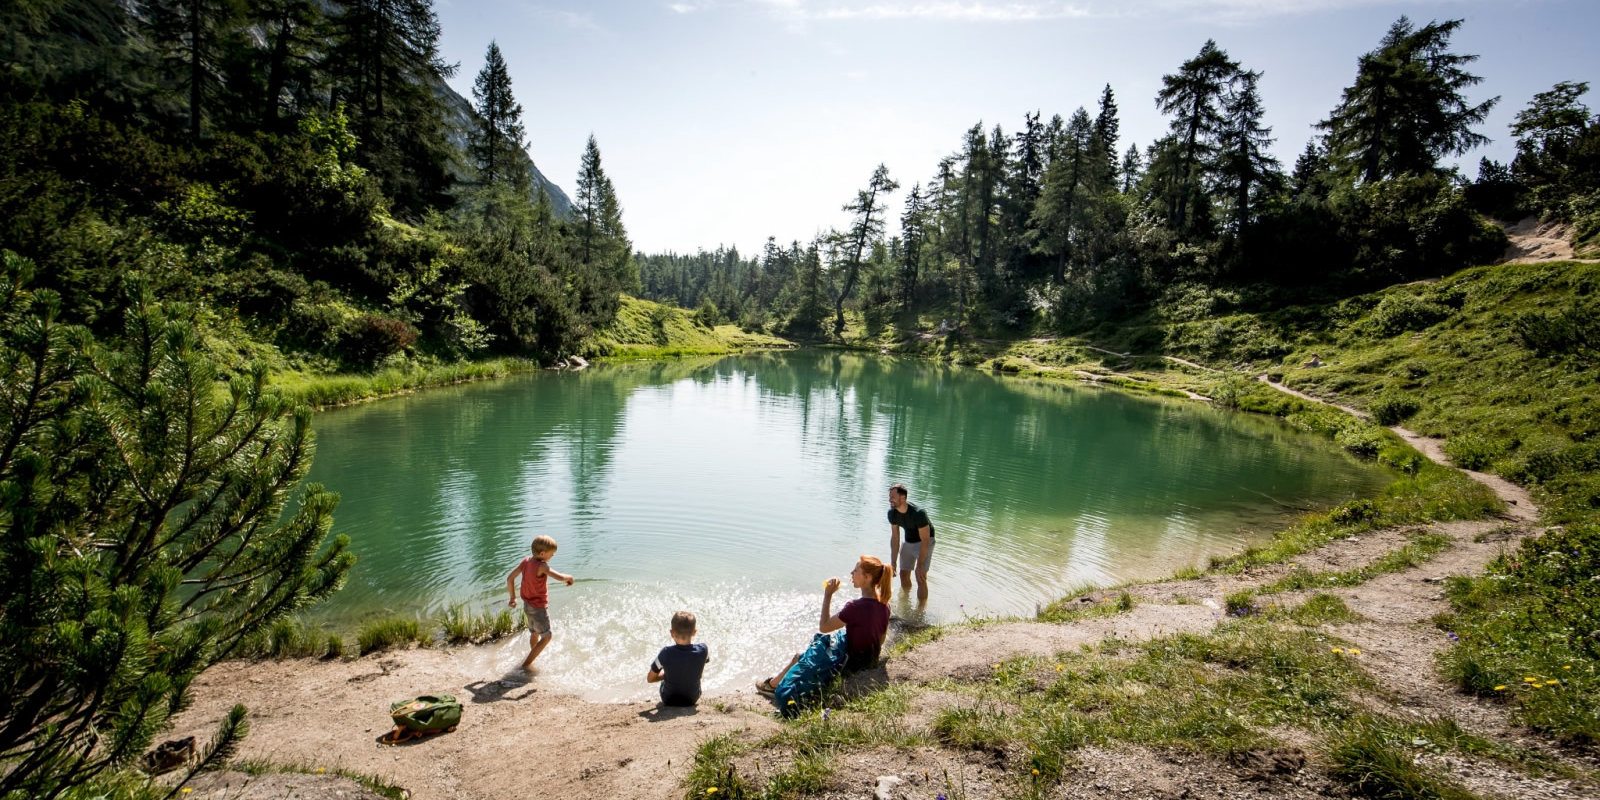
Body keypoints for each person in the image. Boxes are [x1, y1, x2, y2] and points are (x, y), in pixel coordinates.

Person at [755, 555, 892, 695]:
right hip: (869, 661)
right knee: (817, 649)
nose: (851, 573)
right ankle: (775, 684)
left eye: (856, 570)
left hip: (850, 665)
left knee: (799, 656)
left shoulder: (855, 607)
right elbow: (881, 639)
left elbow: (824, 627)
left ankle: (772, 686)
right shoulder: (885, 606)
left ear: (867, 577)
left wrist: (828, 595)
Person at [506, 535, 574, 671]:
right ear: (542, 554)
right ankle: (525, 666)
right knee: (547, 636)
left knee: (534, 633)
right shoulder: (542, 566)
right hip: (538, 608)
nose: (553, 556)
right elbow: (560, 577)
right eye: (552, 554)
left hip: (527, 606)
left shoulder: (526, 561)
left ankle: (533, 656)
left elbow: (509, 578)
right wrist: (570, 577)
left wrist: (513, 598)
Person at [647, 611, 710, 706]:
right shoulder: (703, 650)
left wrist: (666, 675)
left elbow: (650, 679)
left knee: (666, 679)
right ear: (694, 632)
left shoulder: (665, 652)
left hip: (669, 699)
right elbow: (702, 664)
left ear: (672, 633)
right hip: (692, 699)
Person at [887, 484, 935, 602]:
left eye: (893, 497)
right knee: (903, 574)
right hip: (909, 541)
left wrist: (920, 565)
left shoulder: (918, 513)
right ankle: (905, 602)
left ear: (903, 498)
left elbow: (925, 540)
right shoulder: (892, 513)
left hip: (925, 542)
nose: (890, 499)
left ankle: (921, 609)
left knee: (920, 576)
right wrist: (893, 562)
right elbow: (895, 538)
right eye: (889, 496)